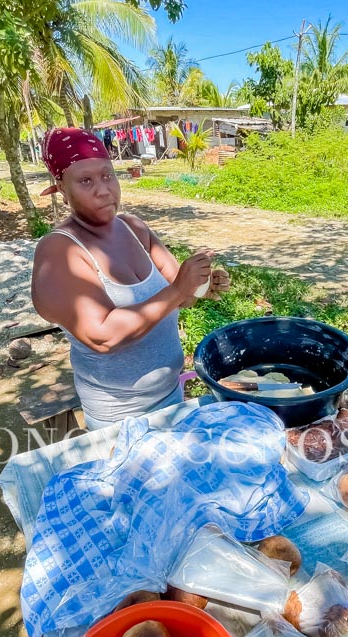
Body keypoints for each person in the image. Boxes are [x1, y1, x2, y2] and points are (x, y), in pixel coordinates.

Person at [31, 127, 230, 430]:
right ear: (61, 186)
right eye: (85, 181)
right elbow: (103, 335)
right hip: (121, 418)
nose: (103, 189)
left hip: (172, 395)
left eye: (107, 175)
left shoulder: (134, 228)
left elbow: (178, 298)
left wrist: (200, 285)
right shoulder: (60, 251)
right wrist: (178, 289)